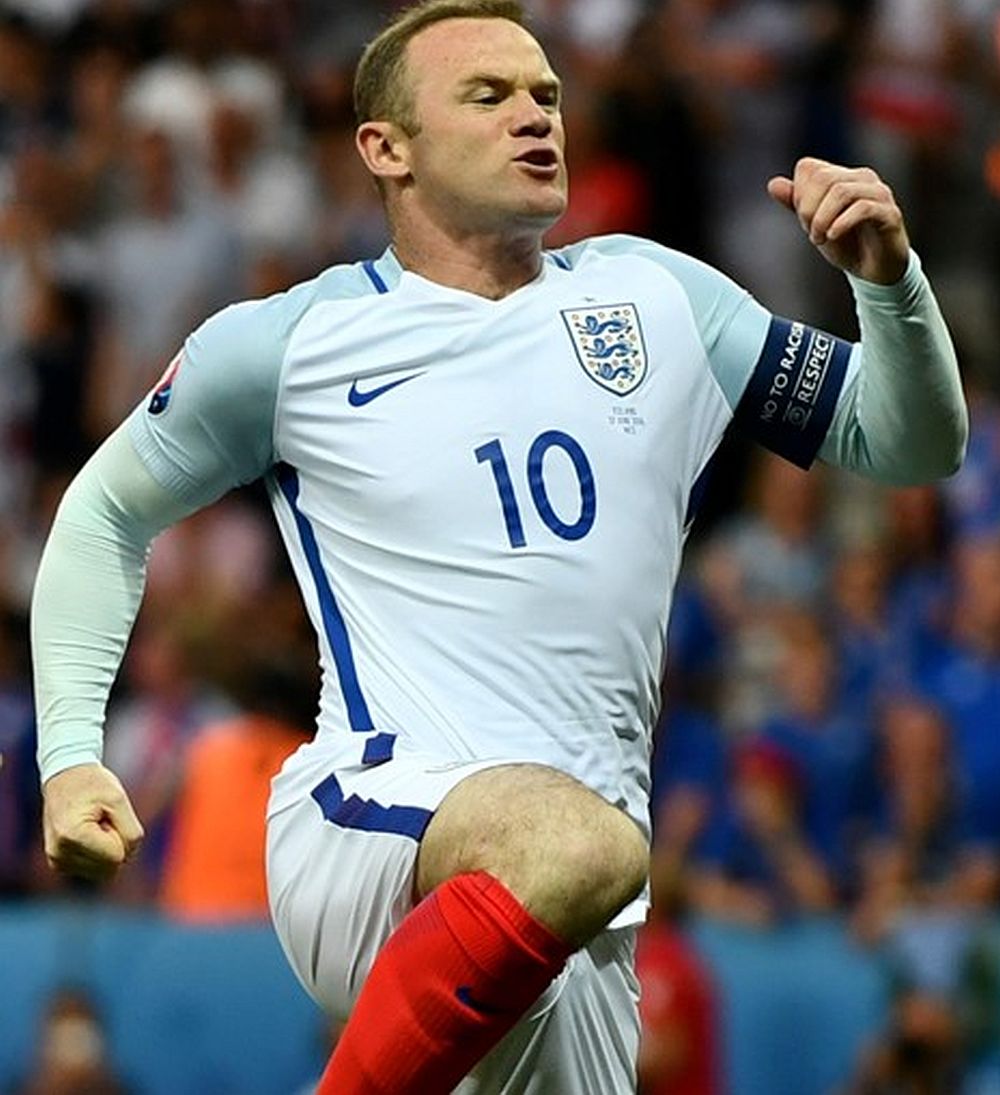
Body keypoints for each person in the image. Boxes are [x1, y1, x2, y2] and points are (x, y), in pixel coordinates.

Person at [31, 0, 967, 1091]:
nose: (535, 115)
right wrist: (70, 754)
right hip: (371, 819)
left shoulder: (660, 299)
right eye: (489, 96)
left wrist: (889, 284)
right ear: (386, 148)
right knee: (580, 841)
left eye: (546, 95)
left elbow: (909, 443)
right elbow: (104, 511)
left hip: (581, 910)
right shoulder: (290, 343)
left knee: (584, 853)